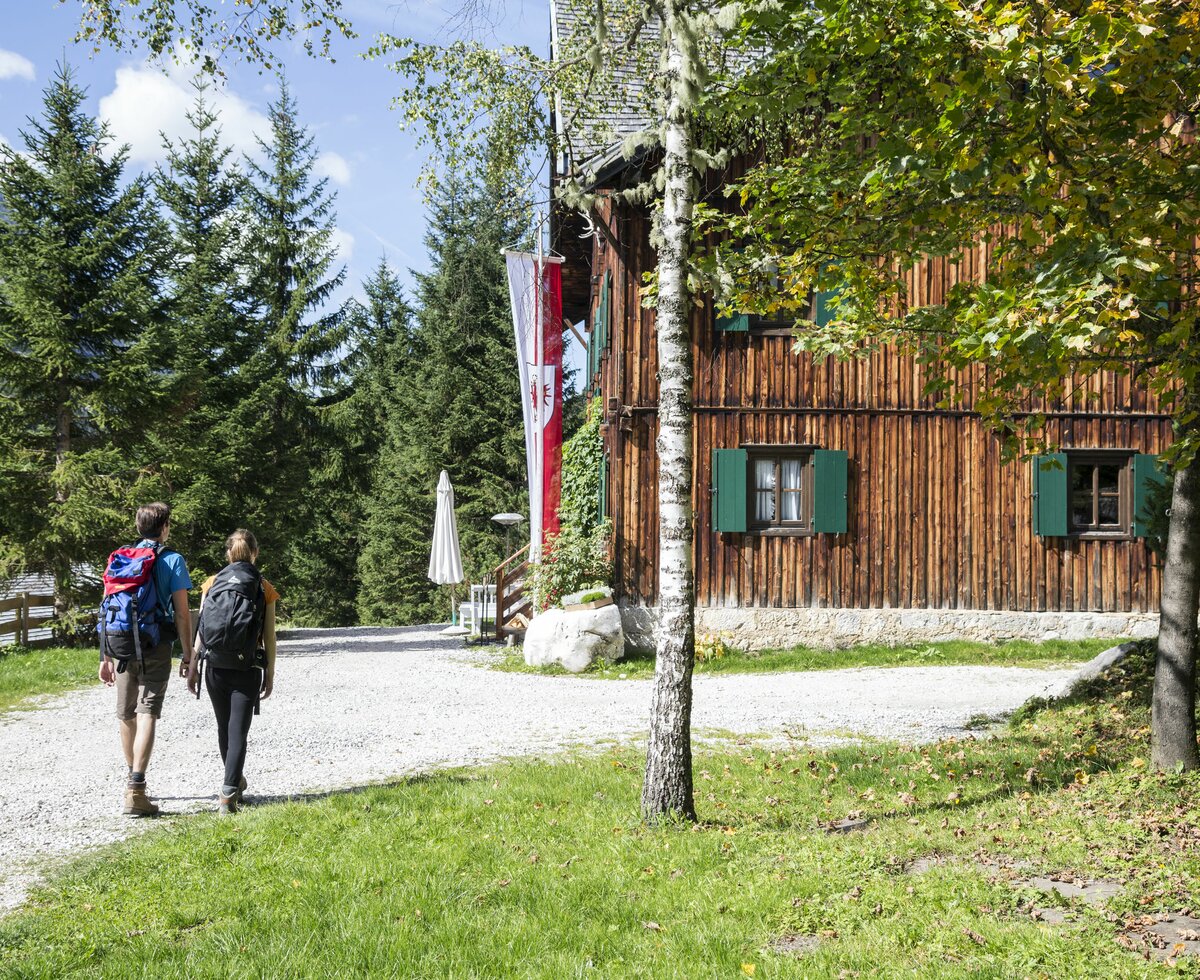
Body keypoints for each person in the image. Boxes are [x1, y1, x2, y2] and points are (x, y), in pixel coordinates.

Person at [98, 502, 194, 817]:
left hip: (121, 644)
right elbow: (181, 614)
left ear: (140, 529)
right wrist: (188, 653)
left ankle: (131, 780)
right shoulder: (173, 560)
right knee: (147, 711)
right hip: (156, 644)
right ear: (164, 527)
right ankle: (136, 789)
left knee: (126, 713)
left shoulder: (120, 558)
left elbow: (108, 606)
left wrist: (105, 656)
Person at [188, 529, 278, 815]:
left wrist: (192, 663)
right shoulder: (263, 587)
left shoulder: (211, 583)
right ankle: (228, 792)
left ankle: (234, 781)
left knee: (224, 726)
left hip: (214, 666)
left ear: (228, 554)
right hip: (246, 667)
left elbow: (202, 627)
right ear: (255, 553)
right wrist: (271, 673)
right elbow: (269, 636)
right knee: (239, 729)